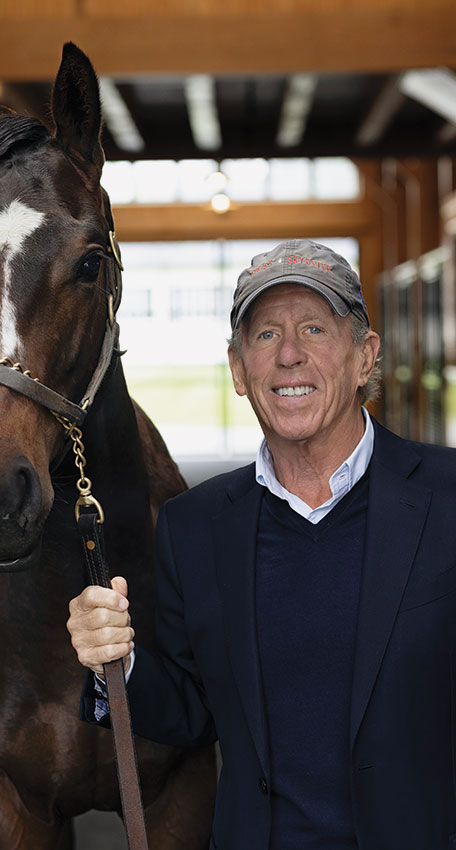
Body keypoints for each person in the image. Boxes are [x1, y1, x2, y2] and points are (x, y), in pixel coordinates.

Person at [67, 238, 456, 850]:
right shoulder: (194, 526)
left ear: (364, 357)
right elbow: (191, 710)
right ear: (238, 369)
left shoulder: (448, 497)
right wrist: (115, 660)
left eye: (314, 329)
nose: (290, 356)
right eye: (266, 336)